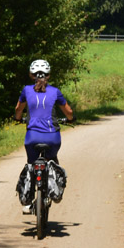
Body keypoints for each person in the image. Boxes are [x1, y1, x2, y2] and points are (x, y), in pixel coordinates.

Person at [14, 59, 74, 213]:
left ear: (31, 75)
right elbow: (69, 112)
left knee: (31, 164)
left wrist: (18, 118)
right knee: (52, 160)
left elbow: (18, 109)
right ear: (48, 75)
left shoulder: (26, 90)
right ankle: (54, 186)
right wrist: (70, 119)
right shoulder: (55, 91)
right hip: (52, 137)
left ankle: (28, 202)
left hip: (32, 137)